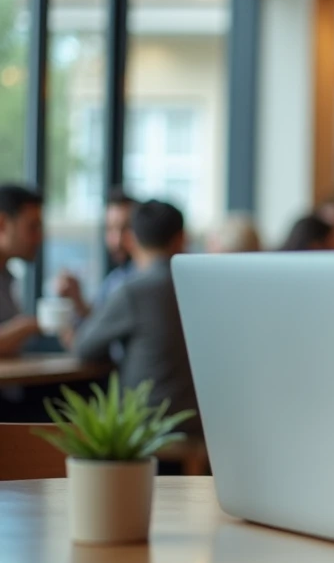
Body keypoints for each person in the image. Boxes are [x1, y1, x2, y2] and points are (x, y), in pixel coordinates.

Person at [61, 200, 200, 433]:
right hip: (197, 419)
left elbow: (83, 348)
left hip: (145, 421)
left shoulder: (134, 291)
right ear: (181, 238)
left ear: (131, 238)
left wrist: (63, 327)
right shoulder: (198, 287)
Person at [55, 187, 138, 321]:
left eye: (126, 228)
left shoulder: (144, 280)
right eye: (110, 229)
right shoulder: (114, 280)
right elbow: (99, 323)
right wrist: (76, 299)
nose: (117, 241)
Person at [0, 184, 45, 357]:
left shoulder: (7, 277)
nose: (39, 238)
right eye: (32, 227)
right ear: (2, 224)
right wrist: (27, 326)